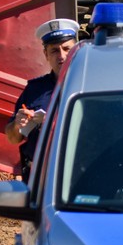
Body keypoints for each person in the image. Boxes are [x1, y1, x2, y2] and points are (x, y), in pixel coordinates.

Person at [5, 18, 79, 180]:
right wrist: (17, 125)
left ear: (77, 51)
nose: (62, 56)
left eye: (67, 49)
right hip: (39, 177)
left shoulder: (88, 85)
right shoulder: (34, 89)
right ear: (46, 55)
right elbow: (12, 138)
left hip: (78, 172)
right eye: (54, 51)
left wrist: (53, 122)